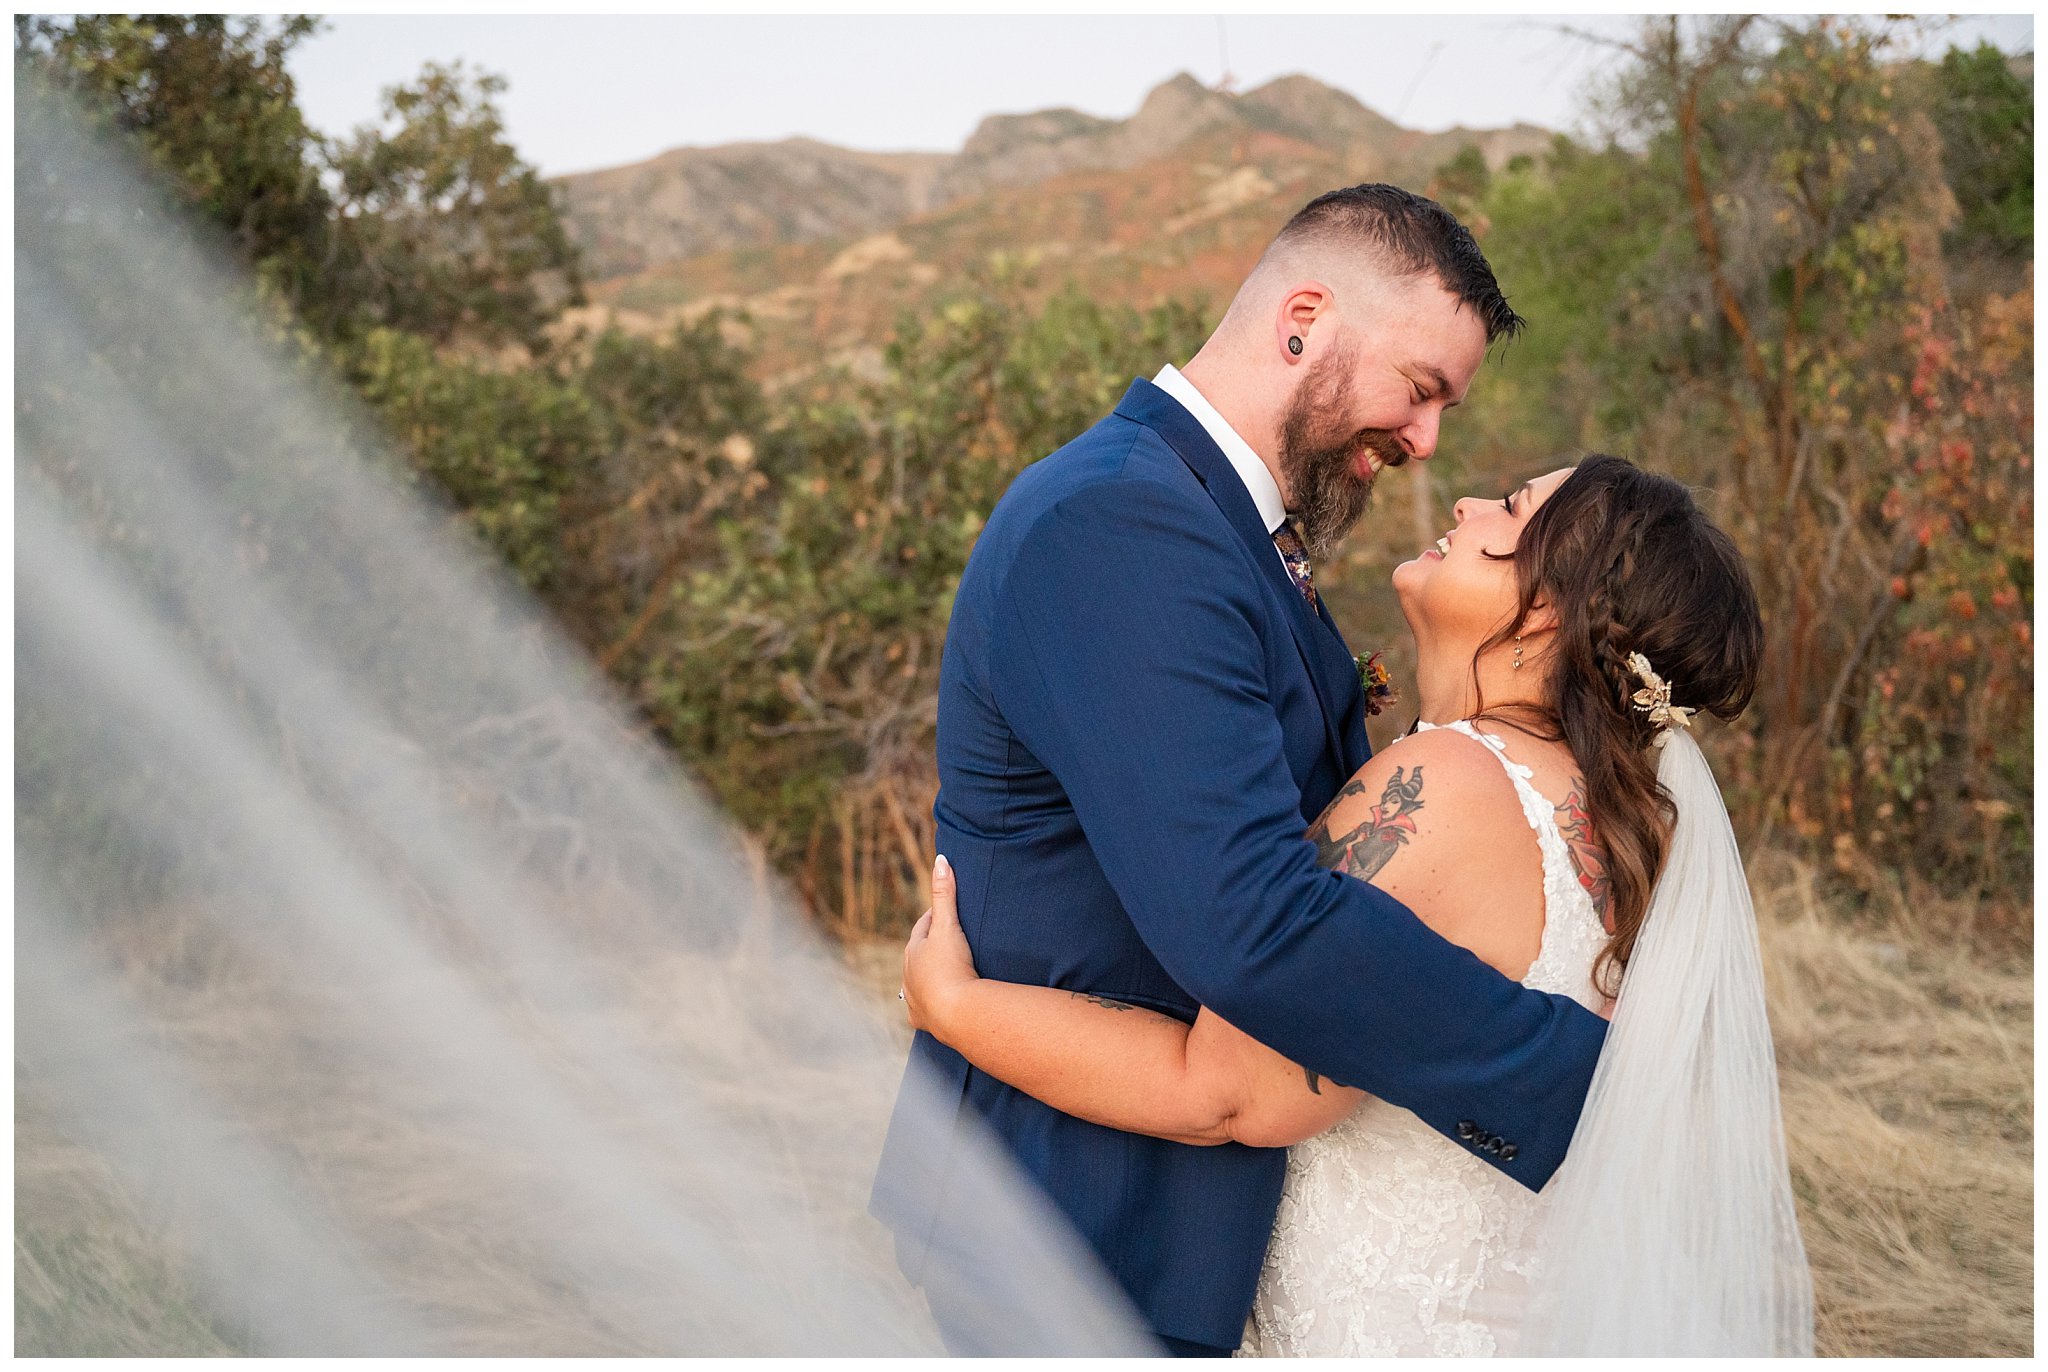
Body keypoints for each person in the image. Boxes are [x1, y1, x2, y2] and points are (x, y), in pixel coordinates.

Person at [868, 184, 1610, 1357]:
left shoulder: (1213, 522)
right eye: (1420, 393)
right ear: (1302, 319)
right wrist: (1587, 1079)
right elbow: (1250, 918)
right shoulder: (1120, 523)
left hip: (1166, 1208)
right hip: (1079, 1221)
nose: (1425, 444)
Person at [903, 454, 1814, 1356]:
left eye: (1509, 508)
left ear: (1547, 610)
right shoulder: (1633, 827)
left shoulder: (1446, 789)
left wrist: (956, 1006)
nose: (1465, 499)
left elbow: (1224, 1090)